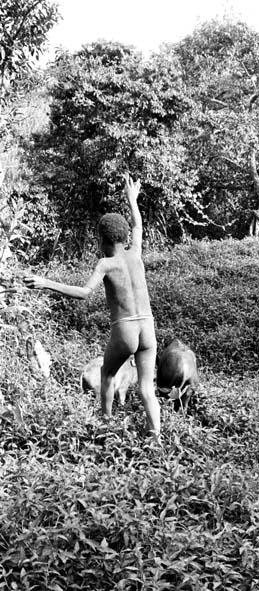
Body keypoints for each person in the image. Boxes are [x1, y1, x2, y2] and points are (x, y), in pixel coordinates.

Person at [24, 173, 161, 440]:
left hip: (125, 330)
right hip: (147, 326)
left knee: (107, 375)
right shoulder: (135, 253)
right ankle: (156, 438)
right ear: (122, 237)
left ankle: (106, 428)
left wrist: (45, 282)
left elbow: (85, 292)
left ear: (102, 239)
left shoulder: (105, 263)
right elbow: (138, 226)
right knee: (147, 389)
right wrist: (132, 199)